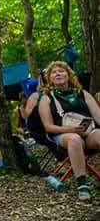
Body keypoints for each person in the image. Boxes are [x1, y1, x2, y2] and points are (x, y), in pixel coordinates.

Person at [38, 60, 100, 201]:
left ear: (69, 75)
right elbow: (48, 127)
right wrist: (70, 129)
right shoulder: (46, 99)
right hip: (62, 135)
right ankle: (82, 185)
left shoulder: (83, 94)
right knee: (74, 139)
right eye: (54, 72)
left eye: (61, 71)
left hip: (88, 132)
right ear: (49, 79)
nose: (58, 73)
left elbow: (98, 116)